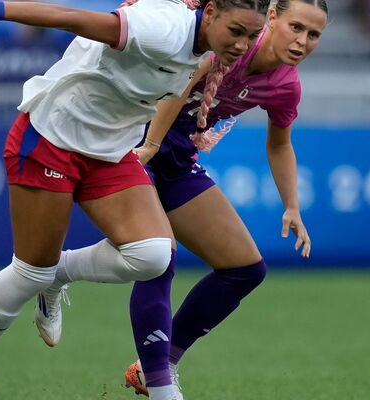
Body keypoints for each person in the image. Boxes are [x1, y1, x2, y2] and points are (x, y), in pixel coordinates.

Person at [0, 0, 269, 399]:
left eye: (252, 35)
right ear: (210, 13)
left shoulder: (204, 51)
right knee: (30, 271)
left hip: (110, 151)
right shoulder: (161, 26)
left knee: (153, 255)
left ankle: (59, 273)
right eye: (237, 32)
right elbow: (72, 18)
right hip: (51, 139)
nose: (243, 43)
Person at [30, 0, 327, 395]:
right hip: (135, 140)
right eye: (296, 27)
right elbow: (181, 81)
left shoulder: (286, 84)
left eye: (313, 35)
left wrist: (292, 204)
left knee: (245, 268)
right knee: (160, 256)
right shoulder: (232, 41)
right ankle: (161, 385)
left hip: (177, 155)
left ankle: (152, 354)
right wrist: (150, 143)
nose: (302, 41)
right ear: (272, 17)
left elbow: (279, 144)